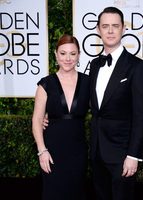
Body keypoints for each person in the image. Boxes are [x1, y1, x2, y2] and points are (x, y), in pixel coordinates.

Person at [89, 6, 143, 200]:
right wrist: (50, 113)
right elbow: (90, 103)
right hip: (97, 152)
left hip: (122, 156)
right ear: (98, 30)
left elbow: (142, 116)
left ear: (123, 28)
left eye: (115, 26)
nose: (110, 31)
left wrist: (133, 156)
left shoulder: (138, 67)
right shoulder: (95, 64)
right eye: (105, 26)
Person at [32, 34, 90, 200]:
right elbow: (37, 119)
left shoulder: (88, 82)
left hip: (78, 151)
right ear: (56, 54)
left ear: (79, 55)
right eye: (63, 53)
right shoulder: (45, 84)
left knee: (77, 193)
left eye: (72, 54)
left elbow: (101, 111)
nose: (68, 58)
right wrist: (42, 151)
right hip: (51, 152)